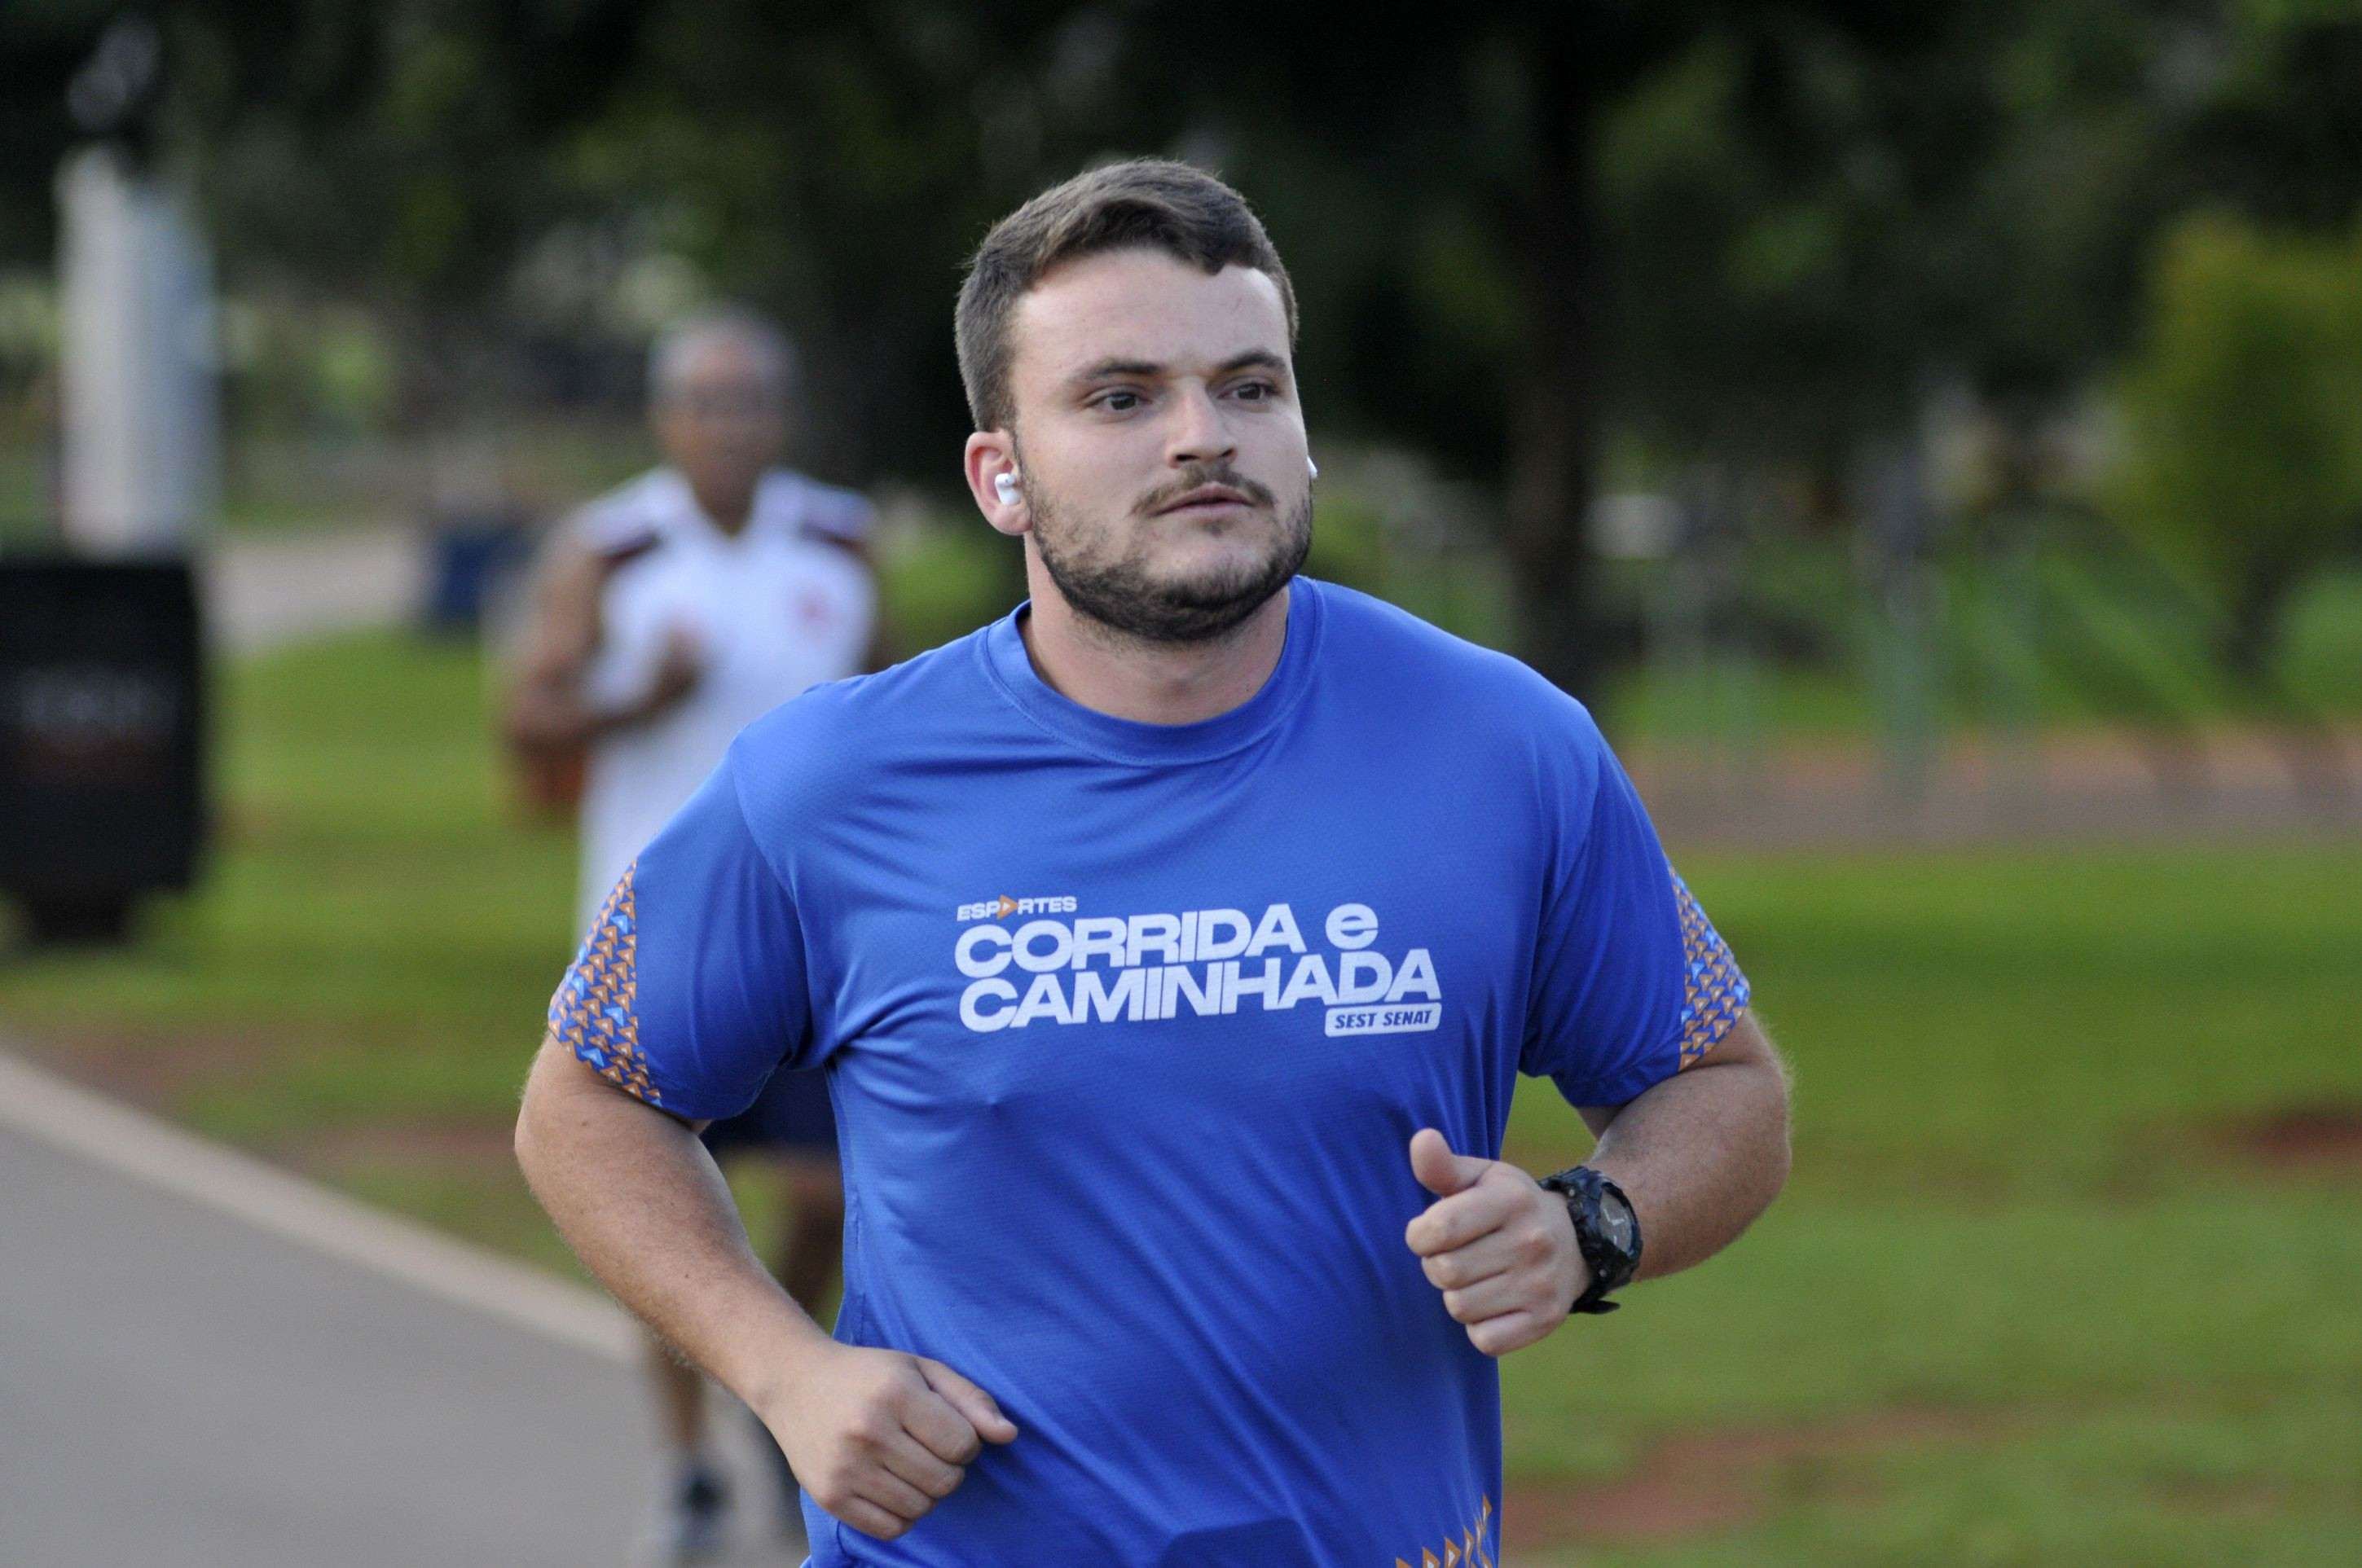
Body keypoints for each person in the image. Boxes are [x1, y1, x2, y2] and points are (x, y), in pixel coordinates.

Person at [517, 160, 1790, 1567]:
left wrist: (1592, 1223)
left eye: (1250, 387)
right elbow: (586, 1102)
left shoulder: (1505, 746)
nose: (1204, 437)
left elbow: (1722, 1087)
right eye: (1122, 398)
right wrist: (786, 1370)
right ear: (1000, 474)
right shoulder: (823, 784)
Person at [502, 309, 875, 1561]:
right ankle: (689, 1470)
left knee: (824, 1197)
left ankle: (772, 1390)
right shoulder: (611, 549)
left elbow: (878, 720)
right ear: (666, 418)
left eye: (749, 401)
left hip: (817, 947)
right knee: (662, 1205)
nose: (727, 426)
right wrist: (633, 697)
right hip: (657, 940)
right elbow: (527, 723)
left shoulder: (837, 540)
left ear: (781, 415)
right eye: (703, 403)